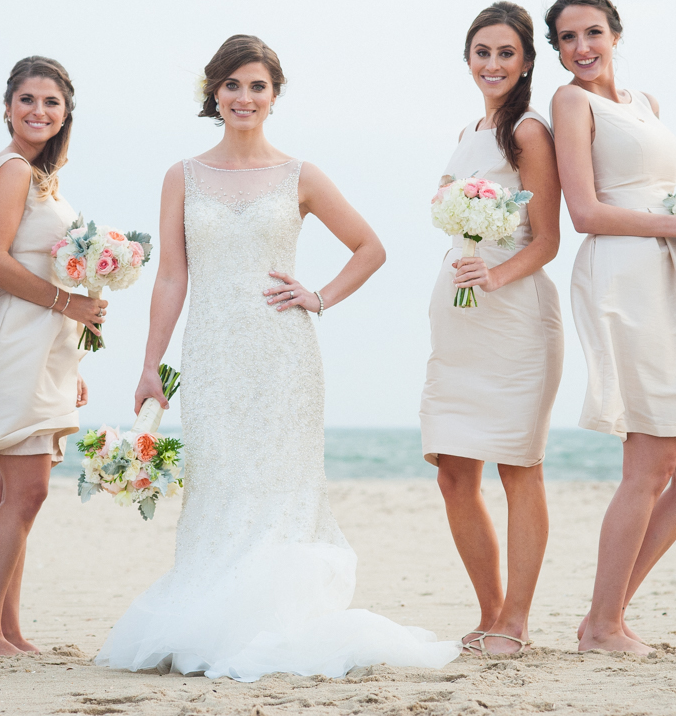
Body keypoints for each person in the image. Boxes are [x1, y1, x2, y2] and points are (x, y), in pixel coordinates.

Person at [95, 34, 460, 680]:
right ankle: (213, 616)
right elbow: (172, 278)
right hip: (210, 353)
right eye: (232, 84)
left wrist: (318, 296)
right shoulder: (182, 176)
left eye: (257, 85)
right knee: (220, 482)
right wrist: (150, 365)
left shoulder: (302, 175)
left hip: (284, 355)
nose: (244, 96)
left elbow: (370, 248)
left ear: (274, 95)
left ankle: (278, 623)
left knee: (281, 488)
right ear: (214, 92)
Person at [546, 0, 676, 655]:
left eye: (593, 32)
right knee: (652, 459)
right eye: (568, 38)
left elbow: (667, 194)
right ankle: (604, 628)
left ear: (615, 34)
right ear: (556, 49)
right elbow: (584, 211)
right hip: (624, 275)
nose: (582, 47)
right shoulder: (570, 102)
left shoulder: (646, 104)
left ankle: (601, 617)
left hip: (675, 270)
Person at [420, 2, 563, 657]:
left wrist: (497, 278)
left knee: (517, 467)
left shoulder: (531, 132)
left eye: (506, 53)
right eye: (482, 52)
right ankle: (487, 613)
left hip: (512, 317)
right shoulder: (467, 130)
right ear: (468, 59)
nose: (493, 64)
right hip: (457, 319)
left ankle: (517, 620)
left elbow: (548, 240)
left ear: (527, 60)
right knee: (454, 470)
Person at [0, 57, 106, 655]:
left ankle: (8, 630)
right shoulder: (14, 169)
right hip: (20, 342)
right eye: (26, 100)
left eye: (50, 102)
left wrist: (68, 352)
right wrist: (65, 305)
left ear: (66, 112)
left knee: (14, 494)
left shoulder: (40, 177)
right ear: (7, 107)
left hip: (44, 346)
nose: (38, 111)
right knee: (27, 492)